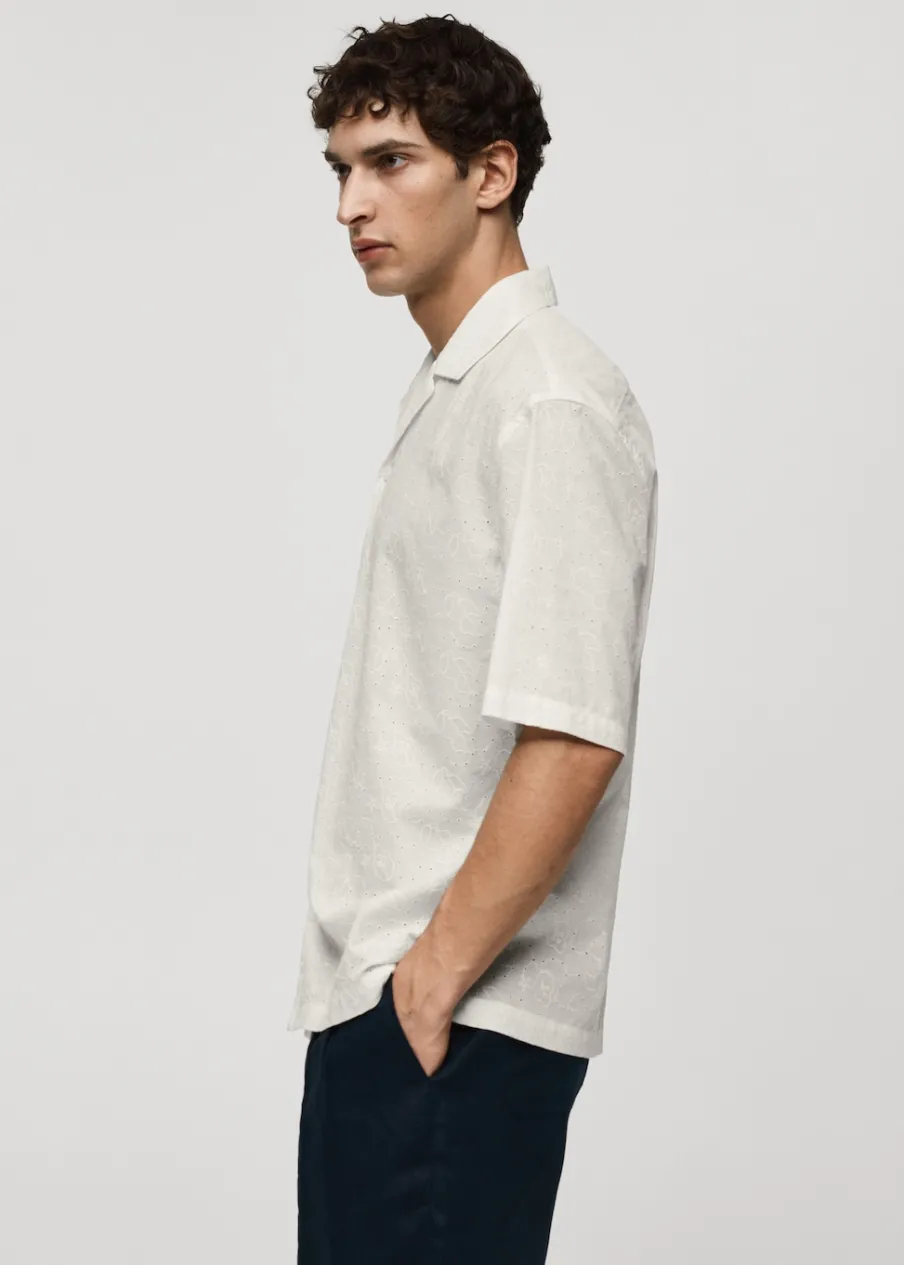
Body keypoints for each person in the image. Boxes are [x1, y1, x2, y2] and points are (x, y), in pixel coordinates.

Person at [287, 14, 658, 1264]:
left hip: (453, 1009)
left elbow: (573, 733)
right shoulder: (467, 387)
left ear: (490, 172)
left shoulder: (547, 397)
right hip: (395, 998)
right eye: (341, 169)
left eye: (390, 161)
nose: (352, 203)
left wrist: (432, 978)